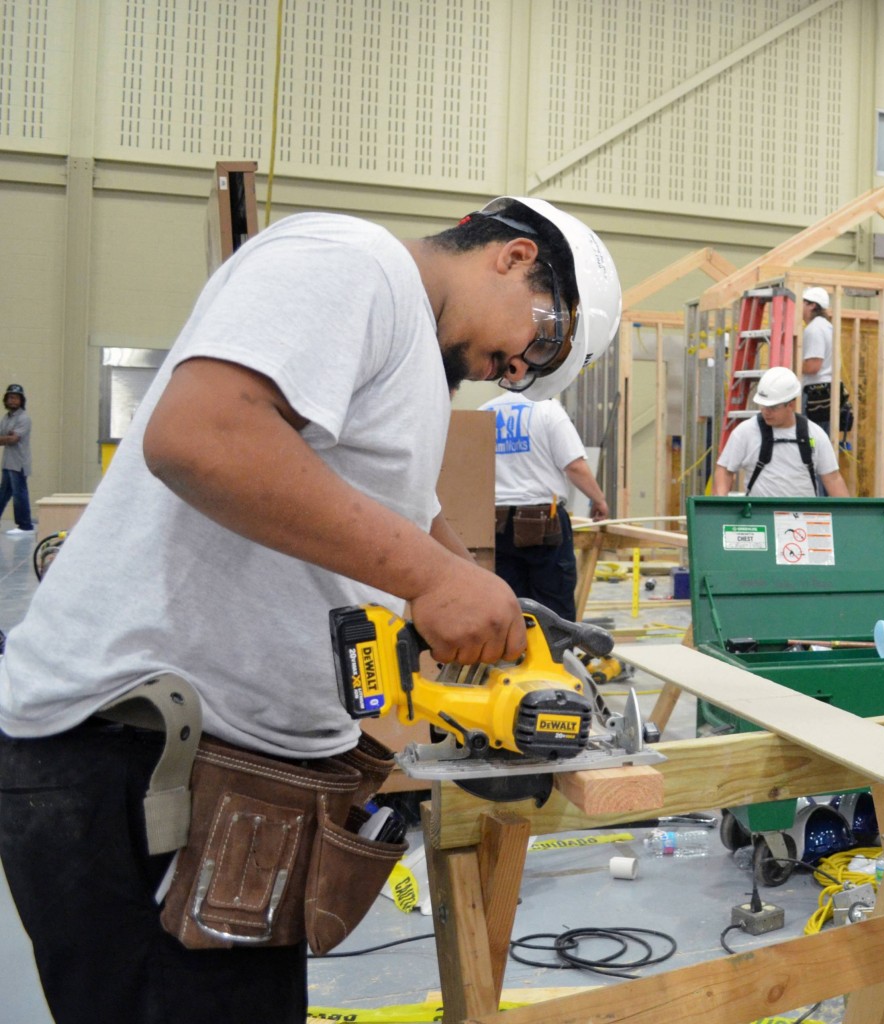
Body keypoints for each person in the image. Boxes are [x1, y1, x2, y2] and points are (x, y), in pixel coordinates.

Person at [0, 196, 621, 1023]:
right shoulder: (352, 263)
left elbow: (384, 507)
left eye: (530, 371)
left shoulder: (407, 357)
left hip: (220, 781)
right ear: (511, 256)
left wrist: (482, 603)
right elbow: (203, 436)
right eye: (539, 340)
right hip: (139, 760)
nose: (511, 368)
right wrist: (438, 581)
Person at [480, 392, 607, 622]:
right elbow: (574, 466)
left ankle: (519, 656)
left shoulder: (484, 411)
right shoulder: (547, 410)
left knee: (511, 603)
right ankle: (554, 658)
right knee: (553, 606)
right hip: (542, 523)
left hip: (495, 522)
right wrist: (598, 499)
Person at [714, 366, 848, 498]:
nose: (766, 411)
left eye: (772, 407)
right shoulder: (745, 432)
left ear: (791, 405)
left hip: (803, 517)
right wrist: (719, 504)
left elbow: (832, 479)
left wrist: (849, 516)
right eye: (763, 405)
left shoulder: (815, 434)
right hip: (760, 515)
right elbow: (724, 470)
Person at [799, 286, 852, 437]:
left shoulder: (814, 329)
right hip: (827, 393)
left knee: (811, 438)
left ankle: (813, 460)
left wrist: (791, 364)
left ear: (812, 305)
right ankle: (818, 459)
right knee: (821, 437)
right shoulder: (827, 327)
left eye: (802, 302)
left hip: (817, 394)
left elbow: (813, 366)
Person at [0, 383, 34, 535]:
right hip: (8, 462)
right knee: (3, 493)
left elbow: (14, 439)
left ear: (21, 400)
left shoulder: (24, 418)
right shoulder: (6, 418)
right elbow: (5, 438)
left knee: (19, 494)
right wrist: (7, 437)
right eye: (10, 397)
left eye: (16, 398)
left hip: (19, 463)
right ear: (5, 400)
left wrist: (6, 437)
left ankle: (25, 526)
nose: (13, 401)